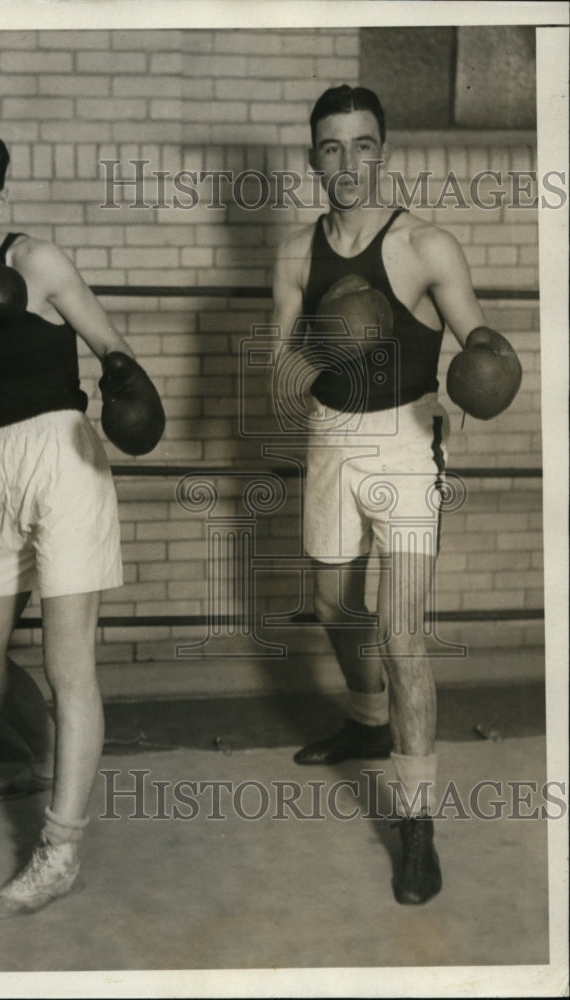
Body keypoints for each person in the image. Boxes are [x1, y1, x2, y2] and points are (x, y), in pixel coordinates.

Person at [271, 85, 520, 905]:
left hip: (409, 442)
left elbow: (479, 352)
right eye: (330, 147)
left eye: (362, 145)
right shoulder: (294, 254)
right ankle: (365, 716)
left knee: (399, 633)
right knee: (334, 609)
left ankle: (416, 824)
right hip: (329, 440)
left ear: (384, 150)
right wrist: (332, 345)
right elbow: (278, 376)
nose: (347, 163)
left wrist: (483, 366)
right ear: (314, 156)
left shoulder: (426, 245)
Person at [0, 125, 163, 918]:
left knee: (69, 666)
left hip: (64, 457)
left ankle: (58, 852)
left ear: (0, 195)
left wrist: (125, 381)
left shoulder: (38, 261)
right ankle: (52, 753)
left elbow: (110, 343)